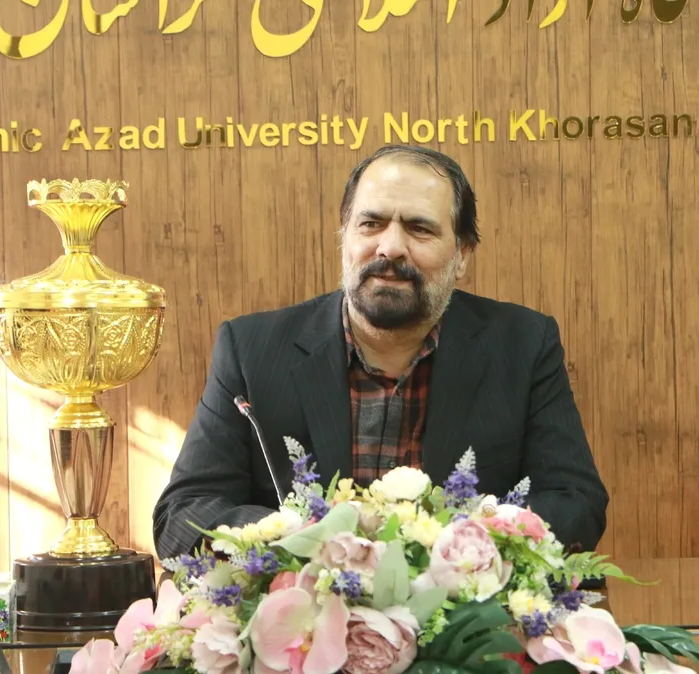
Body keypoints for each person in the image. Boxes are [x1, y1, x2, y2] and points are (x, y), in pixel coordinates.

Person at [152, 145, 609, 560]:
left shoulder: (523, 344)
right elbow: (183, 513)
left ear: (462, 254)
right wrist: (300, 540)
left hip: (461, 615)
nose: (389, 247)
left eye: (419, 228)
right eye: (370, 224)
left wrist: (461, 546)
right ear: (345, 237)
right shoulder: (252, 348)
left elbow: (575, 502)